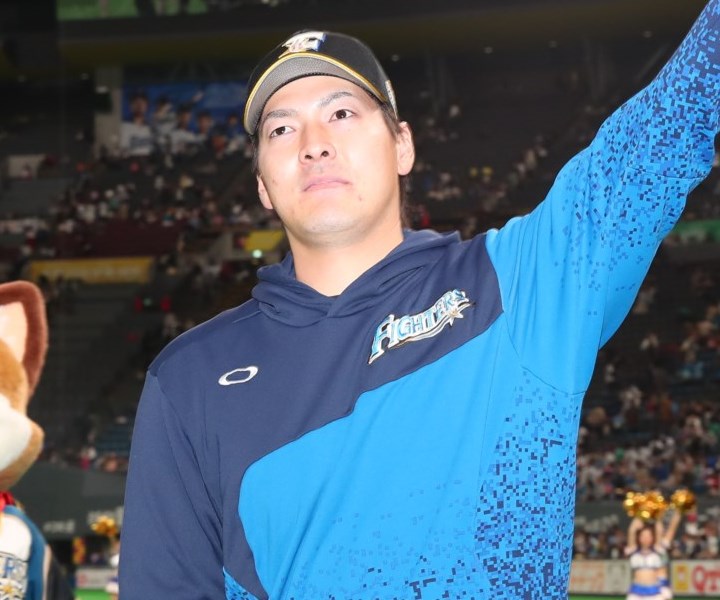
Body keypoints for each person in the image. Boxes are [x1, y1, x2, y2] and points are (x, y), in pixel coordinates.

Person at [120, 4, 720, 597]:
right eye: (281, 129)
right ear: (262, 186)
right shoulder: (188, 377)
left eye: (342, 113)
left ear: (402, 145)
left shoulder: (521, 283)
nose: (314, 144)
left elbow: (667, 126)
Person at [625, 518, 664, 600]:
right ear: (639, 538)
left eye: (648, 536)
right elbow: (631, 531)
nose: (646, 538)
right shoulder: (634, 551)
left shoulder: (656, 551)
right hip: (636, 592)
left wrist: (657, 517)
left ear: (652, 538)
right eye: (643, 536)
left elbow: (659, 531)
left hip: (654, 592)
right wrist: (638, 516)